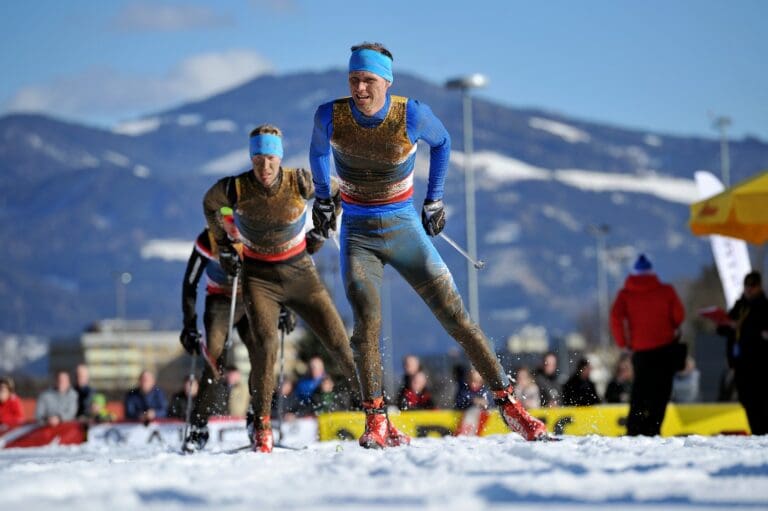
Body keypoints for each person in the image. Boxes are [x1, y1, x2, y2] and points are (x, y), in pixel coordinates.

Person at [309, 42, 549, 447]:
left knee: (457, 319)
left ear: (387, 81)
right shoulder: (330, 115)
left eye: (368, 80)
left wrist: (435, 198)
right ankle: (377, 419)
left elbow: (443, 143)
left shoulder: (412, 113)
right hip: (359, 233)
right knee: (366, 325)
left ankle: (509, 405)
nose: (360, 88)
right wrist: (320, 196)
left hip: (404, 229)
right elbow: (317, 151)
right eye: (354, 79)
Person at [202, 124, 361, 452]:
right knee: (265, 349)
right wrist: (224, 246)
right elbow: (209, 204)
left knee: (338, 340)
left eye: (271, 159)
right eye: (259, 159)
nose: (265, 167)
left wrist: (323, 226)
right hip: (258, 277)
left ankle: (373, 406)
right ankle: (261, 425)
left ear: (280, 158)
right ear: (252, 158)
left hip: (299, 270)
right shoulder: (235, 188)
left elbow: (339, 192)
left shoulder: (299, 180)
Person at [179, 219, 255, 451]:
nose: (232, 227)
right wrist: (189, 324)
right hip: (219, 300)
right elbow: (190, 283)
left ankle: (258, 416)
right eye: (225, 220)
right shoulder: (208, 239)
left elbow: (279, 273)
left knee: (263, 352)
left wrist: (284, 309)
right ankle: (199, 424)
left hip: (252, 298)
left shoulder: (256, 231)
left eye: (237, 220)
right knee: (213, 361)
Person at [610, 254, 685, 436]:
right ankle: (653, 428)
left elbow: (615, 317)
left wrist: (624, 343)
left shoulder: (625, 294)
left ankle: (634, 429)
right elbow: (679, 316)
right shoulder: (666, 291)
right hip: (665, 350)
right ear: (652, 272)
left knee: (640, 392)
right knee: (661, 393)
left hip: (641, 351)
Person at [717, 271, 768, 434]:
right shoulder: (740, 306)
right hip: (740, 363)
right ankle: (757, 431)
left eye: (752, 286)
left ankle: (763, 431)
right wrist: (727, 324)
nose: (749, 289)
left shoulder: (764, 306)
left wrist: (743, 328)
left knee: (760, 399)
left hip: (760, 363)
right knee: (746, 399)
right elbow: (722, 328)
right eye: (747, 286)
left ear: (759, 287)